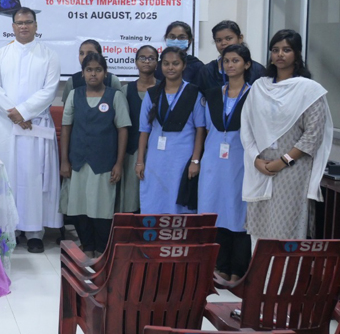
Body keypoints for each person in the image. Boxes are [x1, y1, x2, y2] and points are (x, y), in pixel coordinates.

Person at [241, 29, 333, 243]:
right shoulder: (259, 87)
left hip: (292, 170)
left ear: (297, 54)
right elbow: (246, 127)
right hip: (261, 167)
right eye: (275, 50)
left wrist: (283, 161)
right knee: (259, 226)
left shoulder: (310, 90)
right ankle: (261, 276)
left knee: (286, 227)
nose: (280, 54)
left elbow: (313, 135)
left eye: (286, 50)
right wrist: (256, 159)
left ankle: (286, 277)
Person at [0, 7, 62, 253]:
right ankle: (10, 229)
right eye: (19, 22)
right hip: (8, 128)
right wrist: (15, 114)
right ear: (12, 26)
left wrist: (25, 112)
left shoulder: (49, 56)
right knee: (8, 177)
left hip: (35, 127)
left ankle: (34, 232)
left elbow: (49, 91)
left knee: (33, 177)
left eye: (28, 22)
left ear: (36, 25)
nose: (24, 26)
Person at [59, 52, 130, 258]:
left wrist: (118, 163)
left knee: (102, 209)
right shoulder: (74, 95)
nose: (93, 74)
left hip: (104, 163)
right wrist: (65, 160)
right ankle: (87, 245)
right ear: (83, 73)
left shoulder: (115, 96)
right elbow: (66, 128)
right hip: (78, 161)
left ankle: (102, 248)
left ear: (105, 73)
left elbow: (123, 129)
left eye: (98, 70)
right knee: (79, 207)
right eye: (89, 70)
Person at [199, 44, 252, 281]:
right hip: (213, 160)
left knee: (238, 212)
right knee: (216, 210)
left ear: (246, 64)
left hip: (241, 159)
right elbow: (203, 128)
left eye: (236, 60)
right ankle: (220, 266)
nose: (230, 65)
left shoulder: (255, 94)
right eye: (226, 61)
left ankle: (238, 269)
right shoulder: (212, 94)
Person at [135, 47, 206, 214]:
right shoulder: (152, 94)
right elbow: (144, 130)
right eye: (166, 64)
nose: (171, 68)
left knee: (178, 200)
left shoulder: (194, 93)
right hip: (156, 158)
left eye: (175, 63)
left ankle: (178, 238)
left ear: (184, 66)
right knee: (155, 198)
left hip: (182, 158)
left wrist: (195, 161)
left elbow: (200, 130)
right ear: (160, 66)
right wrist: (140, 161)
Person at [119, 46, 158, 213]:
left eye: (151, 58)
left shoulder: (165, 89)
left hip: (158, 152)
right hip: (131, 152)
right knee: (131, 200)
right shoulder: (125, 91)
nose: (146, 61)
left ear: (157, 63)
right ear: (135, 62)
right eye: (142, 58)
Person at [195, 20, 267, 92]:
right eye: (218, 40)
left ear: (240, 38)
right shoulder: (206, 71)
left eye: (228, 38)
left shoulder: (257, 70)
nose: (223, 43)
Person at [60, 39, 122, 104]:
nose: (84, 57)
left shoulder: (112, 80)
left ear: (99, 55)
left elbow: (120, 106)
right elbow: (67, 110)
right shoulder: (72, 81)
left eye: (90, 53)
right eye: (81, 53)